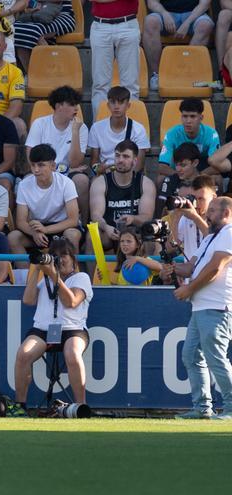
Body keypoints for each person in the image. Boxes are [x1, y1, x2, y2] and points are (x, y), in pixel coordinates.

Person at [9, 237, 92, 416]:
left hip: (72, 329)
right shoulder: (45, 280)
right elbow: (28, 300)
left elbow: (71, 301)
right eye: (55, 256)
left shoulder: (81, 277)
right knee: (23, 353)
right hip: (44, 329)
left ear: (73, 259)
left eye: (64, 256)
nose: (60, 260)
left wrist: (54, 276)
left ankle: (80, 406)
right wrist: (37, 269)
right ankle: (20, 406)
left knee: (72, 353)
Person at [171, 196, 232, 420]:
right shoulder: (210, 238)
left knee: (215, 356)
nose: (208, 213)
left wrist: (189, 290)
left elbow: (215, 268)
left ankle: (231, 407)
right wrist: (171, 268)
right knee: (191, 355)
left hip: (217, 305)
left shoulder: (229, 232)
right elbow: (190, 267)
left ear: (226, 213)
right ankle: (202, 408)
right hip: (201, 306)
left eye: (213, 210)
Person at [86, 140, 156, 274]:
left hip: (135, 234)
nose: (120, 160)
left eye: (125, 156)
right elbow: (95, 215)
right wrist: (106, 227)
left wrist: (133, 218)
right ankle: (90, 282)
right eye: (117, 156)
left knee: (150, 238)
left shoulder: (145, 183)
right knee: (91, 236)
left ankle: (148, 281)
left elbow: (147, 217)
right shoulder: (101, 182)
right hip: (110, 232)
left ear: (135, 161)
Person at [25, 85, 89, 225]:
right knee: (26, 180)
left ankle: (84, 224)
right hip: (44, 170)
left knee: (82, 181)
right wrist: (66, 170)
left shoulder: (81, 128)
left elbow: (75, 162)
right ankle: (30, 224)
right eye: (72, 104)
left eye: (76, 104)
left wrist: (75, 133)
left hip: (67, 174)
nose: (76, 108)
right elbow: (32, 158)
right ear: (59, 106)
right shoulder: (40, 124)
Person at [8, 145, 81, 266]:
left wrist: (46, 229)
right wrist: (34, 233)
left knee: (72, 235)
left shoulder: (66, 183)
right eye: (33, 165)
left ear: (53, 166)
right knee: (13, 237)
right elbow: (20, 221)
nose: (36, 170)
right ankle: (25, 278)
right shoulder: (24, 185)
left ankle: (72, 274)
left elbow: (73, 220)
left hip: (61, 227)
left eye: (41, 165)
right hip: (36, 229)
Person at [143, 0, 213, 91]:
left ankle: (187, 73)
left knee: (205, 25)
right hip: (165, 13)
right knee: (150, 22)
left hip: (193, 14)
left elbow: (205, 4)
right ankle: (156, 75)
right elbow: (152, 3)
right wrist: (164, 13)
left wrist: (187, 22)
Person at [89, 0, 141, 114]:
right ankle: (99, 127)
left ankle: (130, 128)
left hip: (128, 23)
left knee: (131, 84)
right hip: (100, 24)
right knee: (100, 84)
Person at [87, 86, 151, 174]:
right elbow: (94, 162)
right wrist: (98, 169)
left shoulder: (139, 129)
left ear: (128, 105)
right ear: (108, 105)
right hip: (105, 174)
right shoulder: (96, 128)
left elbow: (139, 165)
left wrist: (122, 177)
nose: (116, 106)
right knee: (95, 185)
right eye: (113, 102)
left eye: (121, 102)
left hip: (130, 175)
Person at [157, 99, 220, 178]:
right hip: (178, 171)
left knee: (217, 178)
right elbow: (162, 166)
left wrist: (197, 176)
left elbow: (218, 166)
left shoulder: (211, 134)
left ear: (201, 118)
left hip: (202, 171)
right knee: (161, 179)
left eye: (193, 116)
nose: (188, 121)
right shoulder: (171, 134)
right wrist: (181, 176)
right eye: (185, 116)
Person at [14, 0, 76, 70]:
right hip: (35, 13)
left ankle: (51, 72)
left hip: (61, 13)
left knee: (35, 31)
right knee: (17, 29)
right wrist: (28, 6)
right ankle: (30, 74)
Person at [171, 174, 215, 261]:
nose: (196, 203)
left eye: (201, 199)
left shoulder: (221, 218)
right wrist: (176, 219)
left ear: (213, 197)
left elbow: (214, 240)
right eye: (193, 198)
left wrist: (195, 217)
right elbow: (171, 248)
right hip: (189, 272)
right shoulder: (186, 218)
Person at [158, 142, 202, 216]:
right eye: (176, 165)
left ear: (195, 163)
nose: (178, 169)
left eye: (183, 165)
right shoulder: (170, 180)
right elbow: (164, 211)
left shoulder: (205, 183)